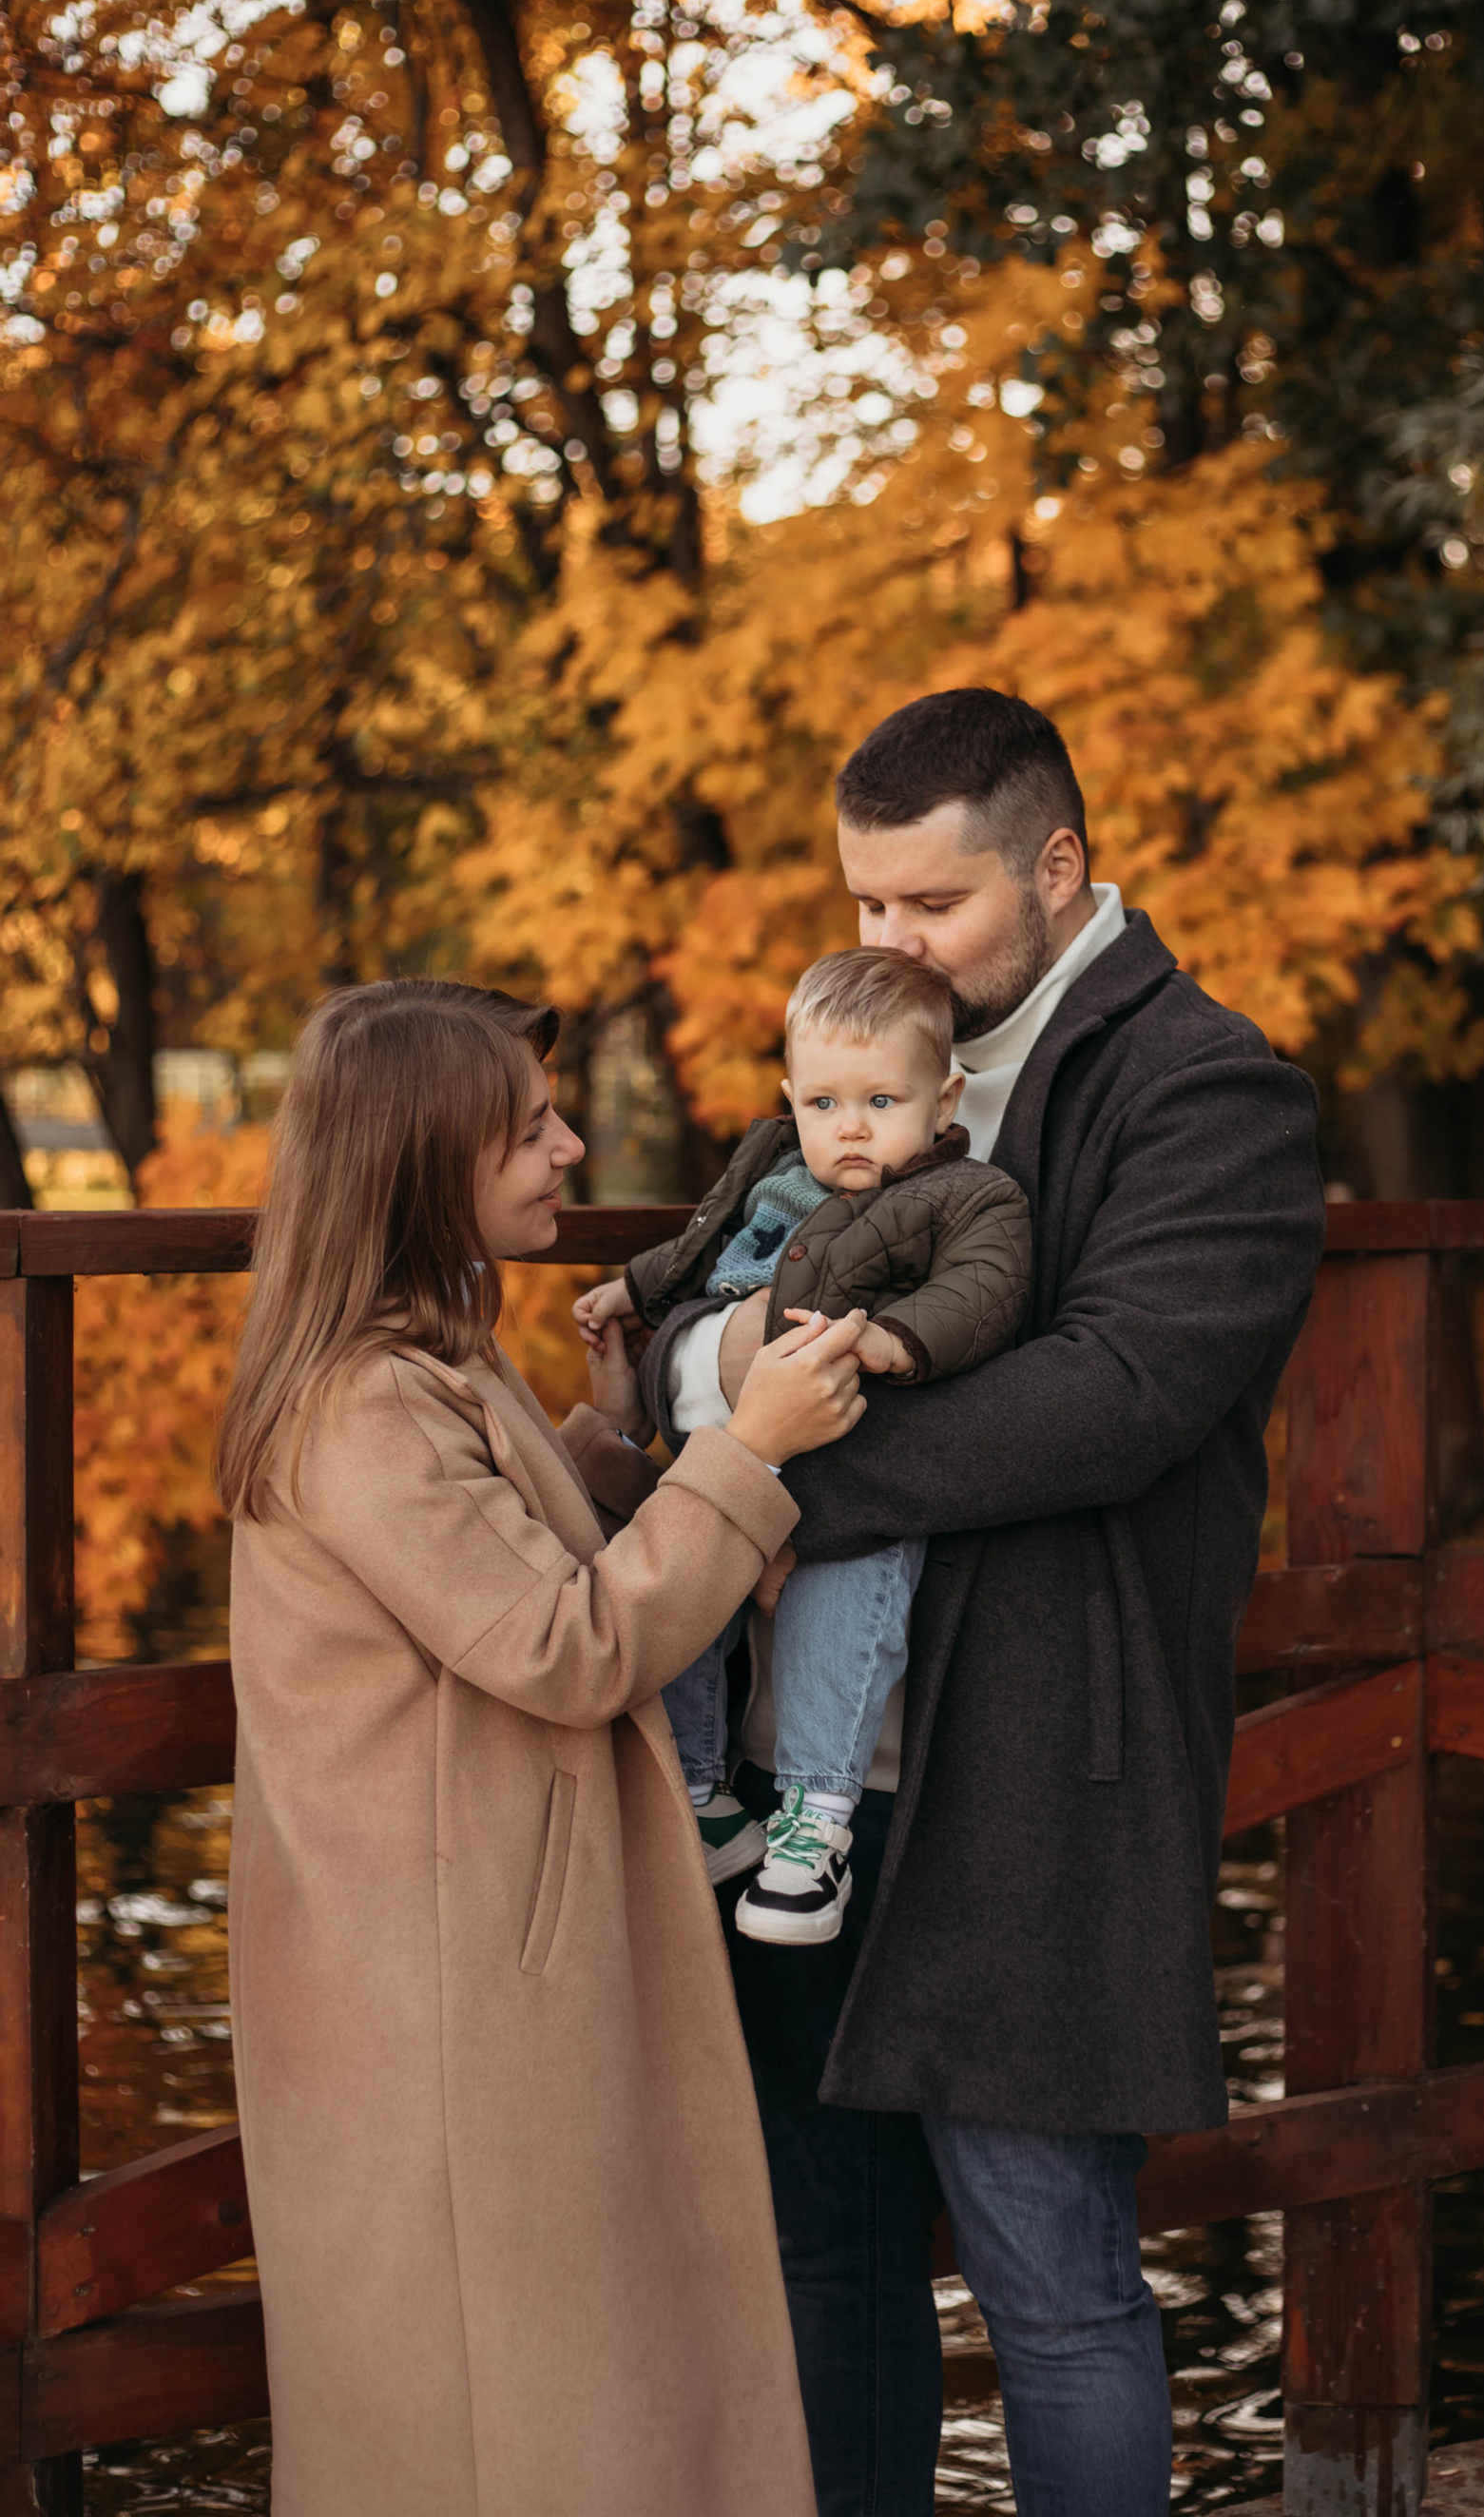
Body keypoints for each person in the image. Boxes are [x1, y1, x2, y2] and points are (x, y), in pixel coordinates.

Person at [641, 690, 1328, 2517]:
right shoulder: (862, 1053)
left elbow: (1115, 1399)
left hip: (1035, 1777)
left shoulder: (1212, 1090)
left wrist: (761, 1460)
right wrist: (706, 1391)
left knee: (1059, 2296)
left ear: (1059, 866)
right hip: (800, 1782)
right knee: (821, 2268)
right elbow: (690, 1316)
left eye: (926, 908)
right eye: (862, 903)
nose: (882, 946)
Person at [217, 976, 867, 2517]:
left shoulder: (425, 1349)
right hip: (445, 2006)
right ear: (421, 1159)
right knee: (510, 2415)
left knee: (563, 2396)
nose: (569, 1147)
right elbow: (562, 1646)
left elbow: (489, 1560)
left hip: (476, 1964)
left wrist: (613, 1446)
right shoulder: (365, 1396)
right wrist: (748, 1450)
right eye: (529, 1129)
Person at [573, 944, 1031, 1946]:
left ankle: (815, 1825)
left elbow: (985, 1293)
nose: (850, 1128)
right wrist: (638, 1288)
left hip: (852, 1461)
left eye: (880, 1101)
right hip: (738, 1452)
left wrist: (897, 1339)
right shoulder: (774, 1170)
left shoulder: (965, 1197)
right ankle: (700, 1796)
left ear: (944, 1096)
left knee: (842, 1595)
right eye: (824, 1104)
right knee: (683, 1590)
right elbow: (704, 1245)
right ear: (792, 1099)